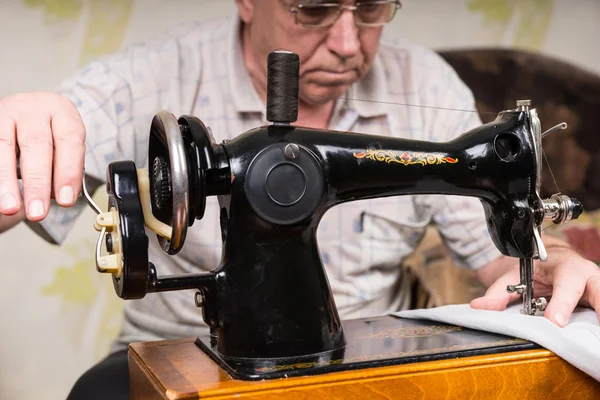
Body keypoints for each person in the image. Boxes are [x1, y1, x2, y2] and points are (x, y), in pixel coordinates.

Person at [1, 1, 599, 398]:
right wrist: (13, 140)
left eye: (370, 9)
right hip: (176, 361)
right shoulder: (147, 77)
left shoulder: (425, 80)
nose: (346, 42)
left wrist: (552, 263)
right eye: (312, 8)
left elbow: (494, 254)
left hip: (358, 370)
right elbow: (17, 183)